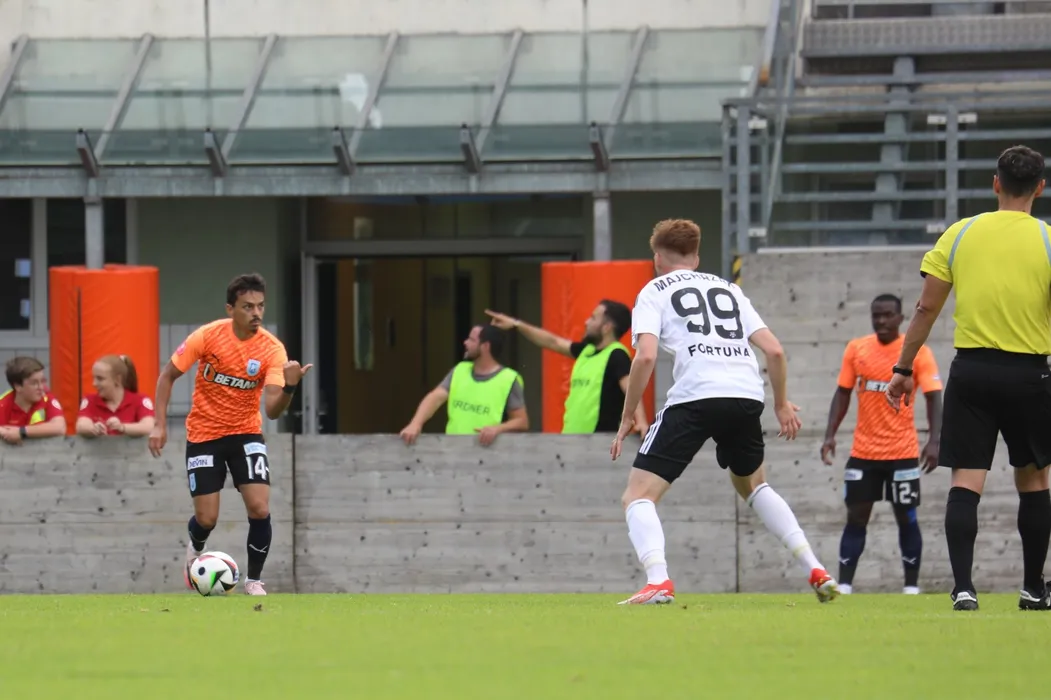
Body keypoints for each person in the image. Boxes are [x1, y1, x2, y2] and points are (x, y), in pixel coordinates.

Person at [610, 218, 838, 605]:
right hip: (746, 396)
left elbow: (645, 356)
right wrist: (781, 404)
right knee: (753, 485)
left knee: (637, 496)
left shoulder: (653, 290)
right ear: (696, 257)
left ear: (657, 258)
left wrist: (628, 414)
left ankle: (658, 581)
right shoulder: (728, 289)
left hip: (696, 395)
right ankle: (815, 568)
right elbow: (774, 350)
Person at [885, 145, 1051, 612]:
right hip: (1030, 373)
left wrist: (902, 369)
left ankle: (963, 588)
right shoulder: (1047, 239)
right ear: (1040, 188)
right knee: (1035, 480)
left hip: (972, 372)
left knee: (966, 481)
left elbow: (925, 309)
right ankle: (1032, 589)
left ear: (995, 183)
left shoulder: (959, 234)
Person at [148, 273, 312, 597]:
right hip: (204, 435)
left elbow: (273, 410)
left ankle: (254, 580)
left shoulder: (272, 349)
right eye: (248, 306)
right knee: (207, 518)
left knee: (260, 508)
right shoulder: (208, 336)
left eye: (261, 306)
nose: (256, 313)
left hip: (246, 434)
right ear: (230, 309)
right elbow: (167, 376)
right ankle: (196, 546)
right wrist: (159, 424)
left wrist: (290, 387)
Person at [821, 294, 943, 595]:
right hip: (863, 453)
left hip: (903, 453)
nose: (881, 321)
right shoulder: (857, 349)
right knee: (856, 518)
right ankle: (845, 585)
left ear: (901, 318)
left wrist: (934, 440)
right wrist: (829, 435)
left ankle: (911, 588)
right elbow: (842, 393)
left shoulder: (918, 352)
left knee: (907, 517)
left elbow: (933, 396)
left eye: (888, 315)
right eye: (876, 315)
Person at [485, 301, 648, 436]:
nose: (586, 322)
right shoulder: (586, 351)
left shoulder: (617, 355)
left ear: (607, 327)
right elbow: (552, 342)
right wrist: (516, 324)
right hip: (572, 439)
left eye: (593, 318)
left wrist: (641, 421)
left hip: (599, 443)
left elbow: (631, 389)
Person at [399, 324, 528, 446]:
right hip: (452, 449)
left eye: (471, 340)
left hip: (486, 452)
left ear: (485, 346)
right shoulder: (460, 370)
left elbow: (522, 422)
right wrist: (415, 424)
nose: (465, 342)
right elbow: (435, 397)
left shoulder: (509, 379)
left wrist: (498, 429)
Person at [76, 354, 156, 438]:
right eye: (94, 378)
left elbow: (149, 427)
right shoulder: (90, 400)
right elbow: (81, 426)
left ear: (117, 380)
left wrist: (122, 427)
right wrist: (93, 428)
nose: (94, 384)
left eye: (100, 379)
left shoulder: (140, 400)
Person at [0, 356, 66, 444]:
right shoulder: (3, 403)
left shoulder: (47, 398)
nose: (41, 387)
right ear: (18, 386)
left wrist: (21, 432)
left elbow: (60, 427)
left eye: (42, 381)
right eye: (34, 383)